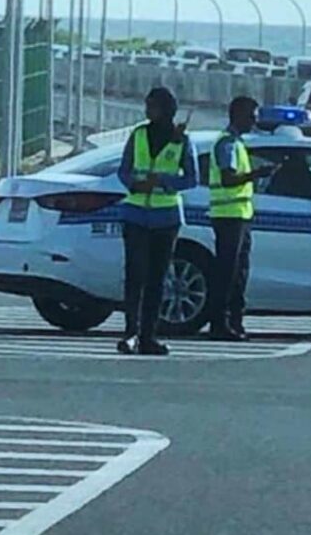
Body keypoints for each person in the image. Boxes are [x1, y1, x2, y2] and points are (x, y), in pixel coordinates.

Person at [116, 87, 198, 356]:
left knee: (157, 278)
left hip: (166, 217)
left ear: (167, 110)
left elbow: (191, 179)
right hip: (136, 213)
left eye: (153, 106)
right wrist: (135, 184)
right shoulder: (138, 134)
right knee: (134, 275)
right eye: (147, 105)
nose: (148, 111)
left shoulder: (182, 141)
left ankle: (149, 336)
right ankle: (130, 333)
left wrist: (162, 182)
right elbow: (124, 170)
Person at [208, 95, 277, 341]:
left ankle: (234, 321)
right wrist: (257, 173)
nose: (254, 122)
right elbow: (228, 179)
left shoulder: (236, 143)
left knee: (239, 272)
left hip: (239, 216)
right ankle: (220, 323)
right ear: (238, 115)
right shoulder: (227, 144)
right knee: (227, 273)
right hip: (228, 216)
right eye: (251, 117)